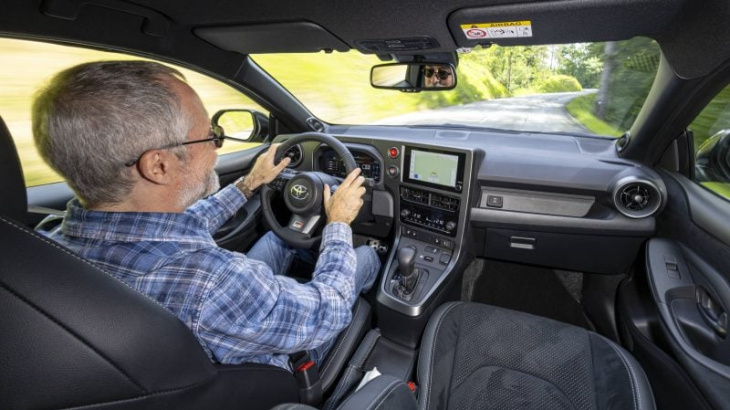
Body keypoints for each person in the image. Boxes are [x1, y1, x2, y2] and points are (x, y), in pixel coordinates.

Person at [32, 61, 380, 371]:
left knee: (278, 237)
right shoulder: (208, 284)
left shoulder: (49, 241)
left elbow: (172, 230)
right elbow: (328, 311)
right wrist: (337, 224)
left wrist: (249, 184)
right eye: (210, 136)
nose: (217, 146)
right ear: (159, 165)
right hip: (271, 373)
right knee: (364, 257)